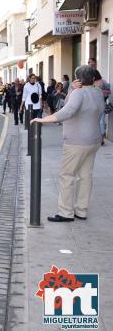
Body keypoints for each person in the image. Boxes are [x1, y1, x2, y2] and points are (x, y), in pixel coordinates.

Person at [31, 65, 105, 222]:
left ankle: (65, 212)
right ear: (92, 78)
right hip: (94, 140)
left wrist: (43, 119)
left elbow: (67, 111)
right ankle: (81, 210)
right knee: (85, 175)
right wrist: (72, 90)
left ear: (77, 78)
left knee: (67, 175)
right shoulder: (97, 92)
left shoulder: (78, 93)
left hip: (76, 142)